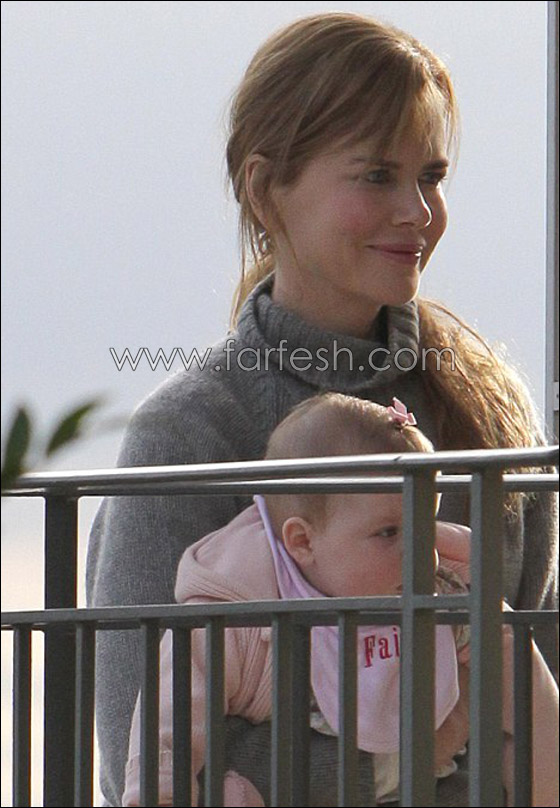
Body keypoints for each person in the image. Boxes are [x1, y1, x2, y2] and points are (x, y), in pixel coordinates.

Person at [86, 12, 558, 807]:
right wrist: (417, 761)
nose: (418, 211)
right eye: (376, 175)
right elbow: (136, 753)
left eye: (431, 176)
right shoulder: (188, 433)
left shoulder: (493, 409)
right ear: (265, 189)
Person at [121, 394, 559, 807]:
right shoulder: (238, 614)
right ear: (302, 542)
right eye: (389, 532)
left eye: (426, 524)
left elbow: (532, 707)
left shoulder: (447, 600)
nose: (421, 551)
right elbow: (169, 718)